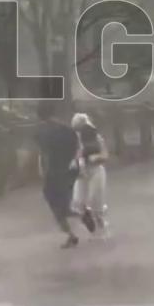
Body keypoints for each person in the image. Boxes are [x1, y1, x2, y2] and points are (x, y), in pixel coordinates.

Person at [35, 102, 82, 248]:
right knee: (65, 203)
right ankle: (85, 215)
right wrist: (75, 163)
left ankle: (71, 234)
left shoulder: (42, 132)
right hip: (70, 170)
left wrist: (42, 171)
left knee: (56, 206)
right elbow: (78, 147)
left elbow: (44, 154)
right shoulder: (67, 129)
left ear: (39, 116)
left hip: (53, 173)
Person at [70, 113, 110, 239]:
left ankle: (101, 226)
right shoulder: (73, 140)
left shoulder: (96, 138)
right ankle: (89, 220)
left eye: (80, 126)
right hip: (81, 173)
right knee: (78, 201)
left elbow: (105, 155)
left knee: (94, 200)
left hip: (96, 171)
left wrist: (96, 157)